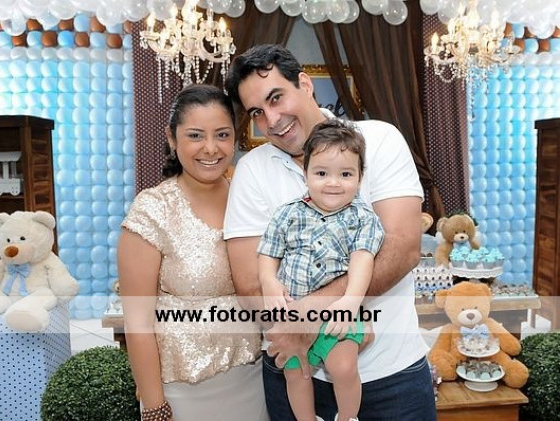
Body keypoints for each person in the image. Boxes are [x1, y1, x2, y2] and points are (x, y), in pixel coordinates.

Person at [224, 44, 437, 420]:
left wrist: (309, 314)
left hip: (392, 377)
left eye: (276, 97)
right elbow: (250, 283)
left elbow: (402, 248)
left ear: (305, 85)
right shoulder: (253, 169)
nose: (271, 120)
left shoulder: (379, 141)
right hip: (294, 369)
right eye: (257, 112)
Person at [118, 84, 268, 421]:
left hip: (254, 380)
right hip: (181, 393)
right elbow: (137, 322)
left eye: (222, 135)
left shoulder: (250, 198)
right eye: (196, 136)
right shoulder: (152, 210)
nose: (211, 148)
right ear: (172, 139)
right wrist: (155, 406)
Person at [258, 120, 384, 421]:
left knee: (343, 367)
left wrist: (351, 300)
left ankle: (348, 417)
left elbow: (362, 260)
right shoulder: (288, 213)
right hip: (293, 314)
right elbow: (268, 253)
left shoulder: (363, 218)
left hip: (338, 311)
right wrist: (269, 282)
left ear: (360, 177)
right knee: (295, 373)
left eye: (346, 174)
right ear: (306, 174)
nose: (333, 183)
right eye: (322, 173)